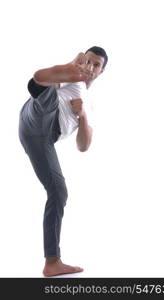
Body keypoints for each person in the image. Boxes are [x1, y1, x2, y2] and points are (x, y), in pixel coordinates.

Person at [18, 46, 108, 277]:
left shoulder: (92, 106)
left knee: (59, 192)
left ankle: (52, 262)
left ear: (102, 71)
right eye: (87, 61)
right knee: (47, 97)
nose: (90, 67)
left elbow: (83, 146)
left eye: (95, 65)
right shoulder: (75, 80)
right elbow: (56, 84)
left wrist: (83, 116)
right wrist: (69, 71)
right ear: (82, 61)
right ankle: (46, 79)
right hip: (39, 115)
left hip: (43, 140)